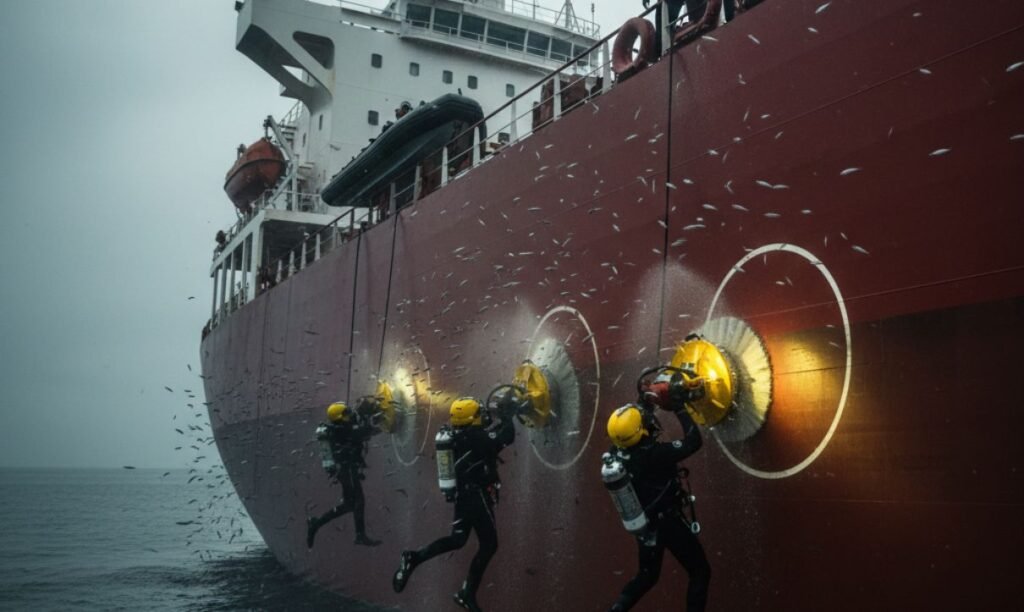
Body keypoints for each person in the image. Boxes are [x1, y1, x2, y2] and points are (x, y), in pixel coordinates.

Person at [392, 396, 517, 611]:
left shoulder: (456, 436)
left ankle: (414, 558)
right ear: (471, 418)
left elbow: (488, 436)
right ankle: (466, 592)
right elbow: (506, 436)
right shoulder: (477, 438)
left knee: (458, 539)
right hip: (477, 497)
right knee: (489, 545)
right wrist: (508, 414)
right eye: (479, 413)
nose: (483, 416)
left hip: (462, 497)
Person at [605, 375, 711, 611]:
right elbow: (693, 441)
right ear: (641, 431)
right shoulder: (655, 454)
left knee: (647, 576)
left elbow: (632, 424)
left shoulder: (617, 451)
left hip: (645, 526)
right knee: (700, 571)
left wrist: (646, 400)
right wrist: (679, 406)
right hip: (667, 523)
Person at [306, 399, 382, 548]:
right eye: (347, 413)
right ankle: (360, 535)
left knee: (349, 504)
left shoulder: (339, 428)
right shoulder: (343, 430)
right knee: (358, 501)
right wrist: (379, 420)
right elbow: (364, 432)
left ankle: (316, 523)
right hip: (347, 470)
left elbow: (359, 432)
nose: (350, 414)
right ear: (340, 417)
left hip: (344, 471)